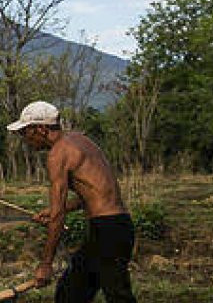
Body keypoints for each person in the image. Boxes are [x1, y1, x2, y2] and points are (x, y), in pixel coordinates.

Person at [8, 100, 136, 303]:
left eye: (25, 132)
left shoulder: (58, 154)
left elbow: (58, 216)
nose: (24, 139)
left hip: (107, 230)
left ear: (41, 129)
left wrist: (46, 265)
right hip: (115, 227)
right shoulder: (80, 140)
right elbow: (97, 194)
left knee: (118, 295)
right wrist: (60, 210)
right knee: (69, 293)